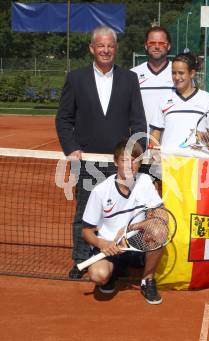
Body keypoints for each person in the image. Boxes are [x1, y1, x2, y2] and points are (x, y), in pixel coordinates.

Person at [56, 26, 147, 279]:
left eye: (110, 46)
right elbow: (64, 119)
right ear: (92, 48)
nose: (105, 50)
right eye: (100, 46)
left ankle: (125, 257)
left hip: (121, 165)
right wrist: (72, 148)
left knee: (125, 213)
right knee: (85, 213)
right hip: (88, 164)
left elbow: (139, 121)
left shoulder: (129, 79)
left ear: (115, 48)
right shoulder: (76, 78)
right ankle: (81, 260)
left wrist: (133, 155)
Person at [82, 139, 164, 304]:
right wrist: (102, 243)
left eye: (134, 160)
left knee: (159, 230)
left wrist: (130, 228)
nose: (130, 165)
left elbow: (162, 217)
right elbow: (86, 232)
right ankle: (114, 272)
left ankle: (147, 280)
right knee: (99, 276)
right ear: (115, 162)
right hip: (109, 247)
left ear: (140, 163)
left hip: (136, 244)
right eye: (124, 160)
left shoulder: (145, 181)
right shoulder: (101, 191)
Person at [149, 53, 209, 149]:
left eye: (181, 73)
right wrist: (154, 153)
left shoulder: (208, 99)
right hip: (169, 161)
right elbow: (155, 133)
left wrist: (201, 136)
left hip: (197, 161)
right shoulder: (164, 99)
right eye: (174, 73)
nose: (176, 77)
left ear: (192, 73)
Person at [131, 26, 174, 137]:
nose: (156, 47)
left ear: (168, 46)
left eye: (161, 43)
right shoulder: (133, 74)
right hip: (139, 141)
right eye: (152, 43)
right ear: (146, 46)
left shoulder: (179, 74)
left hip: (169, 142)